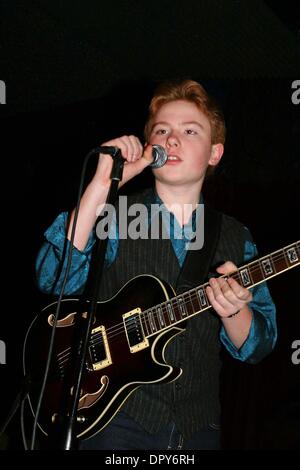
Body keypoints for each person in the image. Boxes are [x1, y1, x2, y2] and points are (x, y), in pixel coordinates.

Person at [35, 79, 277, 450]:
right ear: (150, 147)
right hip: (116, 419)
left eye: (190, 130)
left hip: (198, 427)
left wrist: (234, 313)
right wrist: (102, 184)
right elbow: (56, 276)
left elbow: (258, 344)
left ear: (215, 153)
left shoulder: (236, 236)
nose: (173, 138)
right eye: (162, 130)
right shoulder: (116, 214)